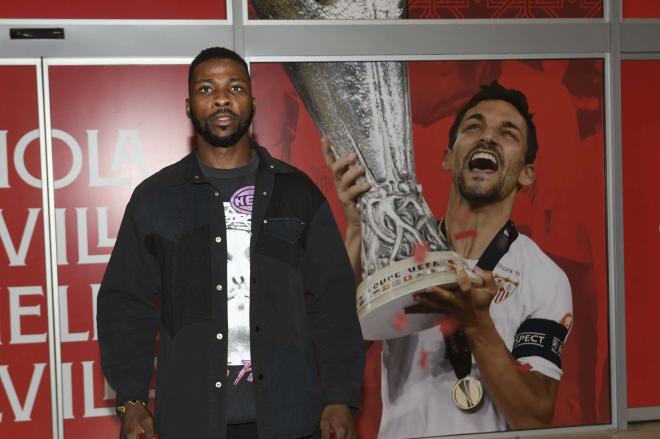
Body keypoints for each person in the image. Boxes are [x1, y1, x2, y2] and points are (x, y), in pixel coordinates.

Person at [97, 47, 365, 439]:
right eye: (207, 88)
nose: (222, 97)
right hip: (191, 423)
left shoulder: (299, 193)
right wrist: (132, 401)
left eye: (234, 87)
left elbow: (334, 300)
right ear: (189, 106)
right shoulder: (155, 199)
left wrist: (340, 395)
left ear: (252, 102)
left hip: (292, 420)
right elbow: (124, 305)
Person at [323, 82, 573, 437]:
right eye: (474, 127)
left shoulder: (545, 277)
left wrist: (476, 322)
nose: (487, 138)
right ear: (447, 157)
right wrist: (358, 230)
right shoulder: (399, 250)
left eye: (507, 133)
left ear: (526, 173)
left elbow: (533, 417)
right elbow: (338, 344)